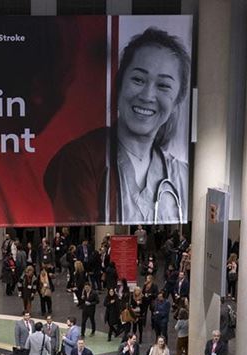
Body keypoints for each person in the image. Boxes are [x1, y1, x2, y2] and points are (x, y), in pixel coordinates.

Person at [44, 27, 191, 224]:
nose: (147, 96)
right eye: (138, 79)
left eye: (163, 85)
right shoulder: (80, 159)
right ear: (119, 85)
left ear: (176, 102)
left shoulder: (181, 174)